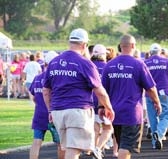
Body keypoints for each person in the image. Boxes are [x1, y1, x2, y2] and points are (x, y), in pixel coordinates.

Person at [42, 28, 114, 159]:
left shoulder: (54, 62)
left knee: (67, 148)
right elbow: (99, 91)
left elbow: (46, 91)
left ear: (70, 42)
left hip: (58, 110)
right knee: (74, 149)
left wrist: (50, 110)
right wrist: (108, 107)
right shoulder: (85, 63)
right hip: (77, 109)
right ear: (85, 45)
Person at [101, 34, 162, 159]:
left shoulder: (109, 65)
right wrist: (157, 102)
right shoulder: (138, 64)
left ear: (120, 46)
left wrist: (101, 106)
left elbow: (102, 90)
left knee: (122, 144)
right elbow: (150, 87)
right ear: (133, 46)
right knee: (126, 147)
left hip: (114, 113)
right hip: (131, 114)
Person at [29, 51, 64, 159]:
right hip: (54, 113)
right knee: (61, 144)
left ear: (45, 63)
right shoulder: (58, 78)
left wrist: (40, 104)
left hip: (39, 114)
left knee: (36, 142)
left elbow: (34, 96)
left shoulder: (37, 78)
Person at [144, 43, 168, 149]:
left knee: (152, 118)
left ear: (150, 52)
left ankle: (155, 143)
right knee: (166, 115)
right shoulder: (166, 61)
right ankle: (158, 134)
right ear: (161, 51)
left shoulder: (145, 63)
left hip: (149, 93)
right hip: (163, 93)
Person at [91, 44, 113, 159]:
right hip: (103, 102)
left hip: (90, 102)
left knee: (95, 129)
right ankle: (98, 148)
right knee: (108, 129)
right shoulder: (108, 67)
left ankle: (94, 149)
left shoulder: (88, 65)